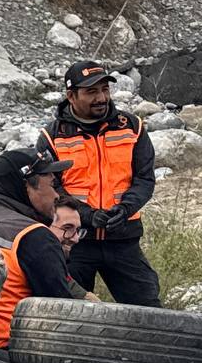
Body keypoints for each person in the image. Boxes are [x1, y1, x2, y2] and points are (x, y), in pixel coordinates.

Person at [44, 60, 161, 306]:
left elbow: (145, 179)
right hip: (74, 242)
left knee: (147, 309)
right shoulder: (53, 135)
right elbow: (50, 188)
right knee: (69, 310)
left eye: (105, 90)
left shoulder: (132, 127)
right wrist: (86, 215)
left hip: (123, 239)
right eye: (91, 91)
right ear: (71, 95)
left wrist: (126, 208)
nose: (101, 98)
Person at [0, 146, 82, 346]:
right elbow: (63, 314)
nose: (57, 195)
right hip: (3, 355)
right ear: (26, 186)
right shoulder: (34, 235)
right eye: (52, 183)